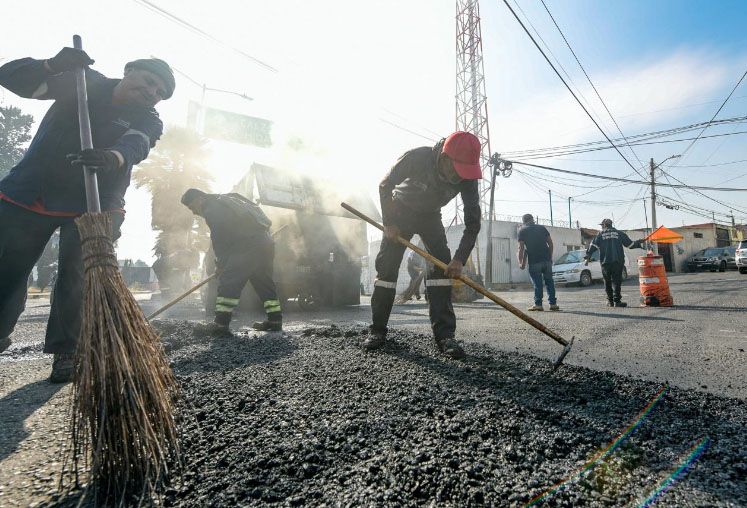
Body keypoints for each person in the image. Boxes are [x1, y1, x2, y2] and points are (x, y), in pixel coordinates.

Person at [0, 47, 174, 382]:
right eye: (150, 82)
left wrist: (111, 157)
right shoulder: (81, 81)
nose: (153, 93)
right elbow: (11, 78)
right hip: (32, 192)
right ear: (128, 69)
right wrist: (51, 65)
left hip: (95, 203)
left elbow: (136, 145)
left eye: (160, 93)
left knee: (77, 276)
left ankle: (67, 350)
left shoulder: (149, 119)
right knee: (8, 268)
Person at [364, 131, 482, 360]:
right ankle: (377, 331)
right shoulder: (417, 158)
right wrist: (389, 222)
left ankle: (445, 337)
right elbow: (384, 186)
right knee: (386, 270)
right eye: (457, 171)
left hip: (430, 216)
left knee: (441, 269)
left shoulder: (468, 177)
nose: (460, 178)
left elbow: (473, 224)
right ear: (445, 159)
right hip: (400, 210)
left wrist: (459, 259)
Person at [181, 189, 282, 334]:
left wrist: (221, 265)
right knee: (264, 283)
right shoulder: (229, 199)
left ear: (200, 199)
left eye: (192, 207)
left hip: (248, 244)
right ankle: (275, 320)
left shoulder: (212, 209)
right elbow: (258, 214)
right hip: (265, 242)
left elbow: (220, 239)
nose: (194, 212)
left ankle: (220, 324)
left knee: (229, 282)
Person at [585, 218, 644, 307]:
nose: (601, 227)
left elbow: (592, 246)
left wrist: (587, 258)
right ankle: (617, 301)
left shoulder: (600, 234)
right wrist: (639, 242)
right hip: (618, 261)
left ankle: (610, 301)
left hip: (605, 262)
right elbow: (630, 245)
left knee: (607, 281)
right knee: (617, 281)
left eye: (602, 225)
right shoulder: (619, 233)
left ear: (604, 225)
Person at [517, 213, 558, 311]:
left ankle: (538, 304)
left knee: (538, 283)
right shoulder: (542, 228)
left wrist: (520, 262)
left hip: (534, 261)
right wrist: (550, 257)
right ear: (532, 219)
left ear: (523, 221)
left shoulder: (522, 230)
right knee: (549, 282)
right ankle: (553, 304)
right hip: (546, 260)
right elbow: (550, 243)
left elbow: (521, 248)